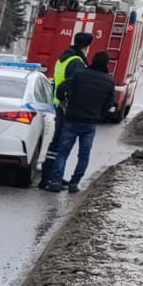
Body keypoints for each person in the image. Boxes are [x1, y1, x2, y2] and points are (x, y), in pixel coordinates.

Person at [45, 50, 117, 193]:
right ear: (106, 63)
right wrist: (99, 115)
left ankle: (55, 182)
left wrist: (63, 102)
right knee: (84, 155)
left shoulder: (80, 74)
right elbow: (110, 103)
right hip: (90, 123)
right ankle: (74, 183)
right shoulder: (109, 81)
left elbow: (61, 88)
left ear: (93, 60)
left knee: (63, 152)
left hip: (72, 119)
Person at [40, 31, 93, 188]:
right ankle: (50, 178)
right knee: (60, 144)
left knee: (56, 143)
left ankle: (48, 176)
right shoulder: (77, 62)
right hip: (66, 106)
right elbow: (74, 85)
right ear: (87, 46)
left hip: (58, 103)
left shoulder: (64, 58)